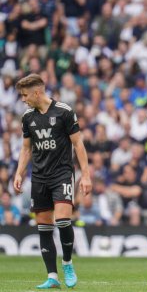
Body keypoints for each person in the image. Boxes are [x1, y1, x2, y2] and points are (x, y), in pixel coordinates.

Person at [13, 74, 92, 289]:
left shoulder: (64, 112)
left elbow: (78, 144)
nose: (23, 99)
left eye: (25, 95)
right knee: (44, 227)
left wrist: (85, 175)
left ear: (37, 92)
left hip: (62, 174)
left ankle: (67, 262)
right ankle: (52, 277)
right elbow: (26, 148)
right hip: (39, 177)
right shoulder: (28, 117)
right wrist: (19, 173)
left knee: (63, 220)